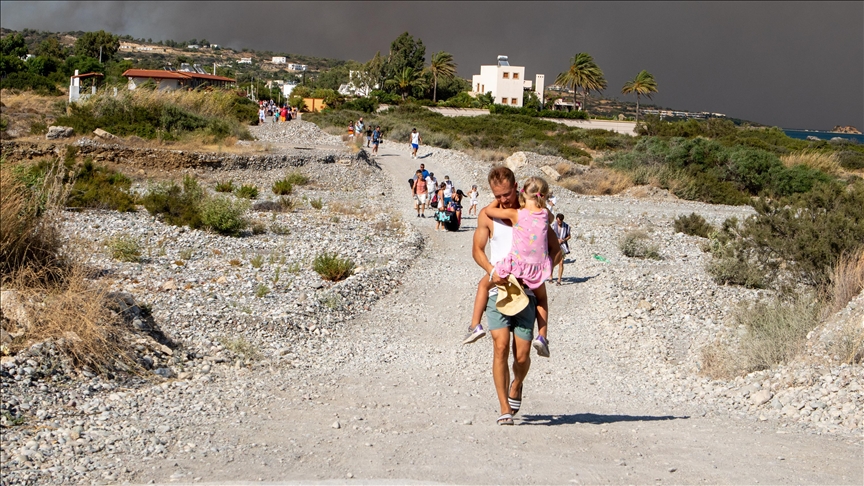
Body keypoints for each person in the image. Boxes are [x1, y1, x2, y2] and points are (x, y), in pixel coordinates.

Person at [469, 167, 562, 425]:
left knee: (521, 356)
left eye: (507, 194)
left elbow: (556, 250)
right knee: (500, 347)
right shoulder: (488, 216)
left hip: (527, 292)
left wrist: (543, 272)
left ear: (517, 187)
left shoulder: (533, 214)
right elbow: (477, 250)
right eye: (497, 195)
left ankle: (517, 383)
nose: (503, 200)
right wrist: (490, 271)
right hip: (499, 289)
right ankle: (504, 408)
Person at [550, 213, 571, 286]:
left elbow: (569, 236)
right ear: (556, 219)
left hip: (562, 246)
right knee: (552, 262)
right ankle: (550, 276)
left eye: (560, 221)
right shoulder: (552, 226)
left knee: (561, 262)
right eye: (558, 221)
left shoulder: (566, 226)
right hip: (553, 246)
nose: (559, 222)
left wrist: (564, 239)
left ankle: (559, 279)